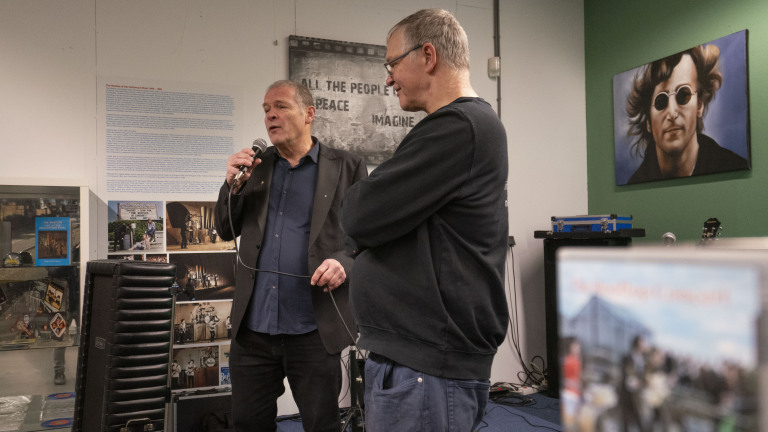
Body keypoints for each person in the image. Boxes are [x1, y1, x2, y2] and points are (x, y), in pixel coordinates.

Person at [339, 9, 509, 431]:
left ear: (427, 55)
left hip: (428, 368)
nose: (388, 77)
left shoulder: (459, 126)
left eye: (392, 64)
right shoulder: (461, 128)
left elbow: (358, 214)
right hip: (419, 363)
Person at [214, 79, 368, 432]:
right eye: (266, 110)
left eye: (281, 106)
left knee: (321, 425)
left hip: (313, 329)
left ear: (309, 113)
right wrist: (230, 185)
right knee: (249, 425)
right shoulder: (256, 167)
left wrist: (345, 263)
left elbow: (368, 239)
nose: (271, 115)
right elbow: (226, 229)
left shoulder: (346, 168)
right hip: (254, 330)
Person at [626, 45, 748, 184]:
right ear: (648, 121)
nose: (672, 113)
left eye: (683, 95)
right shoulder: (636, 182)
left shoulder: (733, 166)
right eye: (661, 101)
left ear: (699, 106)